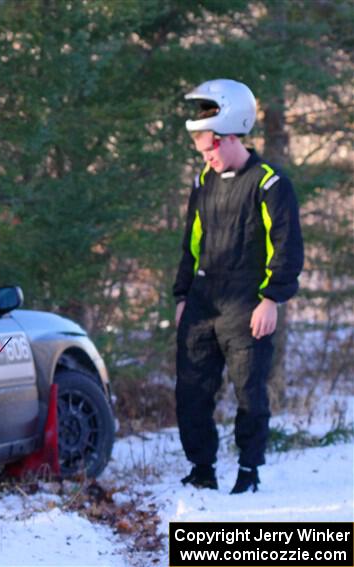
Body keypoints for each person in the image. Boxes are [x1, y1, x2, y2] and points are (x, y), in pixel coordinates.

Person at [173, 79, 304, 494]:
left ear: (231, 137)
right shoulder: (203, 182)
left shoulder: (269, 183)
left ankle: (249, 471)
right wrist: (181, 294)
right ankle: (202, 468)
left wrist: (272, 299)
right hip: (202, 300)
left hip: (248, 304)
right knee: (192, 390)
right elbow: (192, 241)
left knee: (249, 392)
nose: (206, 156)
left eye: (210, 147)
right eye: (201, 149)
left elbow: (286, 245)